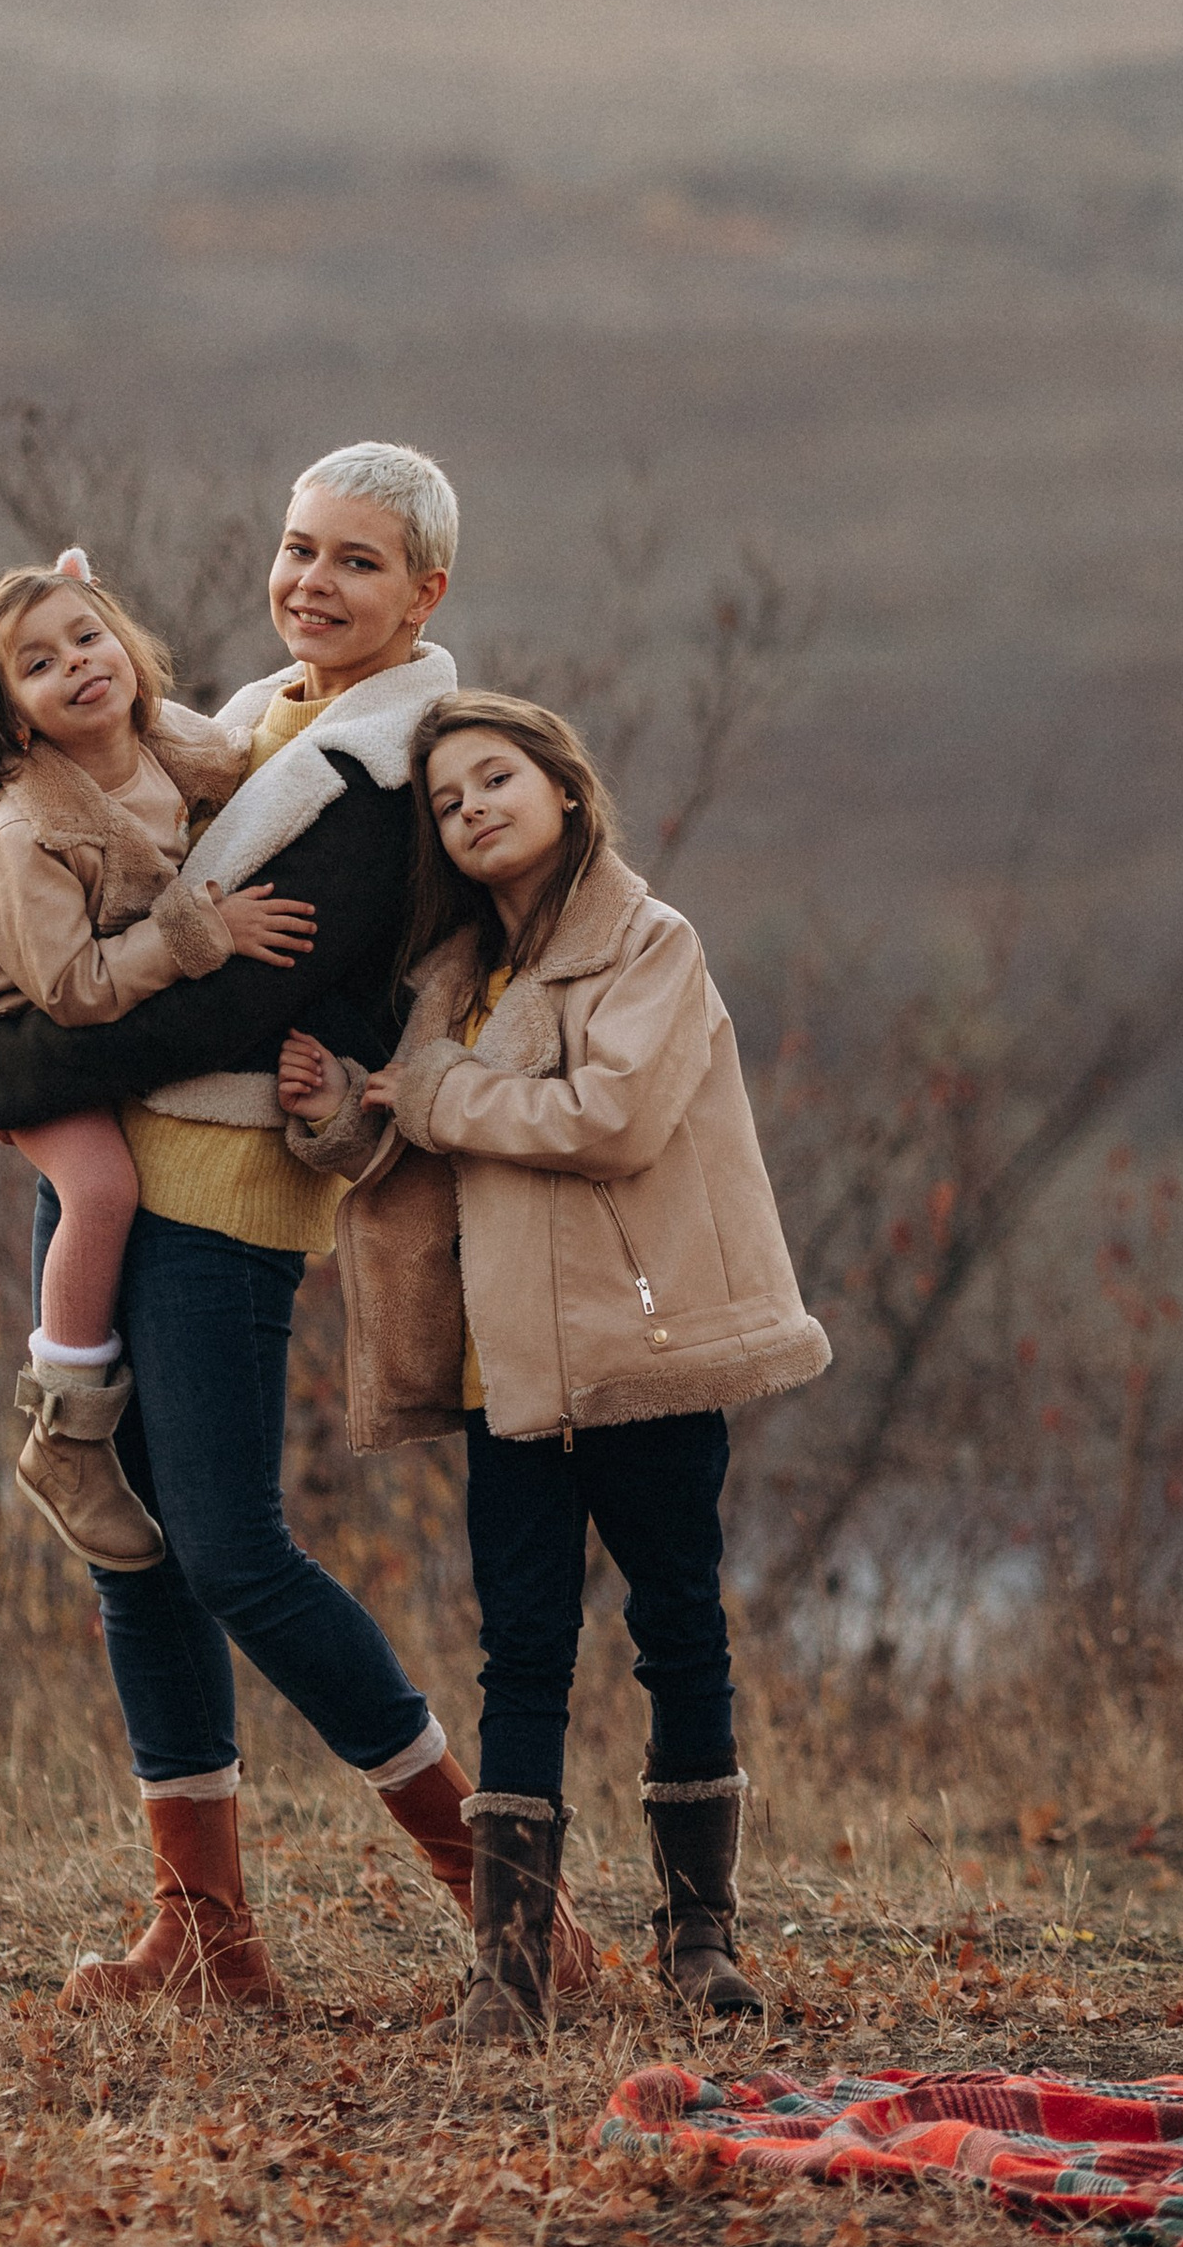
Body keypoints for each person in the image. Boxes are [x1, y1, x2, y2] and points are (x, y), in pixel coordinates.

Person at [0, 447, 592, 2015]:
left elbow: (225, 1005)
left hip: (221, 1191)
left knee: (231, 1549)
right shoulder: (260, 719)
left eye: (358, 561)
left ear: (426, 592)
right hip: (116, 1171)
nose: (313, 582)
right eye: (300, 548)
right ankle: (206, 1937)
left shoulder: (385, 773)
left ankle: (516, 1912)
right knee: (133, 1547)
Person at [278, 689, 831, 2048]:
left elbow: (610, 1118)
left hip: (642, 1352)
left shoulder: (650, 943)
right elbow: (427, 1151)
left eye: (495, 779)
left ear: (565, 789)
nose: (471, 809)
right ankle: (510, 1970)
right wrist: (342, 1118)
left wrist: (431, 1094)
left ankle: (700, 1942)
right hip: (507, 1370)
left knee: (678, 1630)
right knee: (520, 1653)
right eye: (447, 800)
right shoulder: (451, 980)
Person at [0, 545, 309, 1571]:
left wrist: (323, 694)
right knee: (100, 1187)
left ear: (126, 647)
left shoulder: (159, 738)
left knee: (106, 1185)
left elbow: (247, 753)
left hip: (61, 1004)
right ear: (14, 719)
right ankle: (65, 1437)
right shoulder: (20, 832)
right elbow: (75, 991)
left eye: (88, 637)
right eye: (41, 664)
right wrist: (203, 930)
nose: (79, 665)